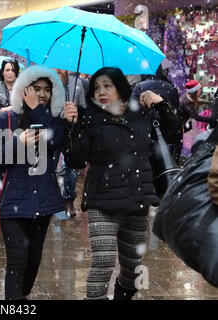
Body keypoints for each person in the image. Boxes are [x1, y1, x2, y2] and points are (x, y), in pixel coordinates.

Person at [64, 67, 178, 300]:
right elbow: (76, 160)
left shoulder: (142, 114)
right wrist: (71, 126)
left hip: (137, 199)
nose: (101, 92)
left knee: (132, 268)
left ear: (121, 87)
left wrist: (160, 104)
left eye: (108, 86)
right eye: (96, 88)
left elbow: (174, 131)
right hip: (101, 200)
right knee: (103, 261)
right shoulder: (88, 118)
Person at [0, 65, 67, 300]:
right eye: (36, 89)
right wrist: (18, 143)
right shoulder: (6, 118)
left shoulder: (54, 121)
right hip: (12, 198)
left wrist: (38, 110)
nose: (42, 94)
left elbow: (56, 140)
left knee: (33, 260)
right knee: (17, 260)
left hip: (42, 200)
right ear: (24, 90)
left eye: (47, 89)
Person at [131, 66, 182, 163]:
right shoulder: (170, 88)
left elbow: (133, 115)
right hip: (166, 138)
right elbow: (176, 117)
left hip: (146, 138)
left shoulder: (139, 87)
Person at [55, 69, 87, 217]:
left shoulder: (78, 82)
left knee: (72, 169)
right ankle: (52, 199)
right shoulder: (49, 81)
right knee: (50, 166)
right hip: (54, 130)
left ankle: (68, 199)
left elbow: (83, 108)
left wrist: (76, 113)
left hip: (71, 132)